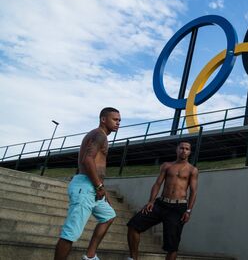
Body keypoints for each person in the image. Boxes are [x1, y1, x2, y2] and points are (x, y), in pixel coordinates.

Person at [54, 107, 121, 260]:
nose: (118, 123)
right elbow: (87, 159)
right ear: (103, 119)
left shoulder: (101, 135)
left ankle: (90, 256)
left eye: (119, 120)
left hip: (92, 186)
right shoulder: (99, 134)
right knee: (70, 234)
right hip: (86, 186)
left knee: (109, 215)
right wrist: (98, 186)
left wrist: (101, 188)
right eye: (115, 119)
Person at [127, 141, 199, 260]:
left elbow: (193, 192)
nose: (184, 151)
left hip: (178, 208)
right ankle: (133, 258)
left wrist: (189, 210)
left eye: (187, 149)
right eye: (181, 148)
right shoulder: (167, 166)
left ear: (190, 152)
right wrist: (151, 201)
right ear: (177, 149)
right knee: (133, 225)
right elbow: (157, 184)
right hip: (160, 204)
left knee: (172, 246)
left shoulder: (192, 170)